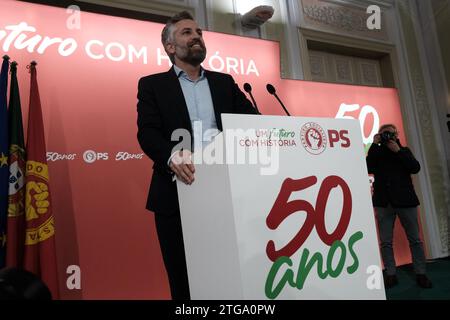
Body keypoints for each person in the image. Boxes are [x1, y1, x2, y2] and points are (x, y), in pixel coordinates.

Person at [136, 11, 256, 300]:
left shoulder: (224, 82)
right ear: (169, 46)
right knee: (184, 280)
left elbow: (251, 122)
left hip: (228, 194)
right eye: (187, 33)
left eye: (199, 32)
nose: (196, 37)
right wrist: (171, 156)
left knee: (231, 274)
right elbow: (147, 132)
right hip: (176, 193)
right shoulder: (152, 84)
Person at [366, 124, 432, 289]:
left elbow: (415, 168)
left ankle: (421, 273)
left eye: (390, 133)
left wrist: (398, 150)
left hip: (406, 202)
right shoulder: (377, 153)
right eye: (384, 134)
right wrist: (374, 144)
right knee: (386, 242)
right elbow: (367, 167)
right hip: (383, 203)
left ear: (396, 134)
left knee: (415, 240)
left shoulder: (404, 150)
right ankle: (390, 274)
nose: (387, 136)